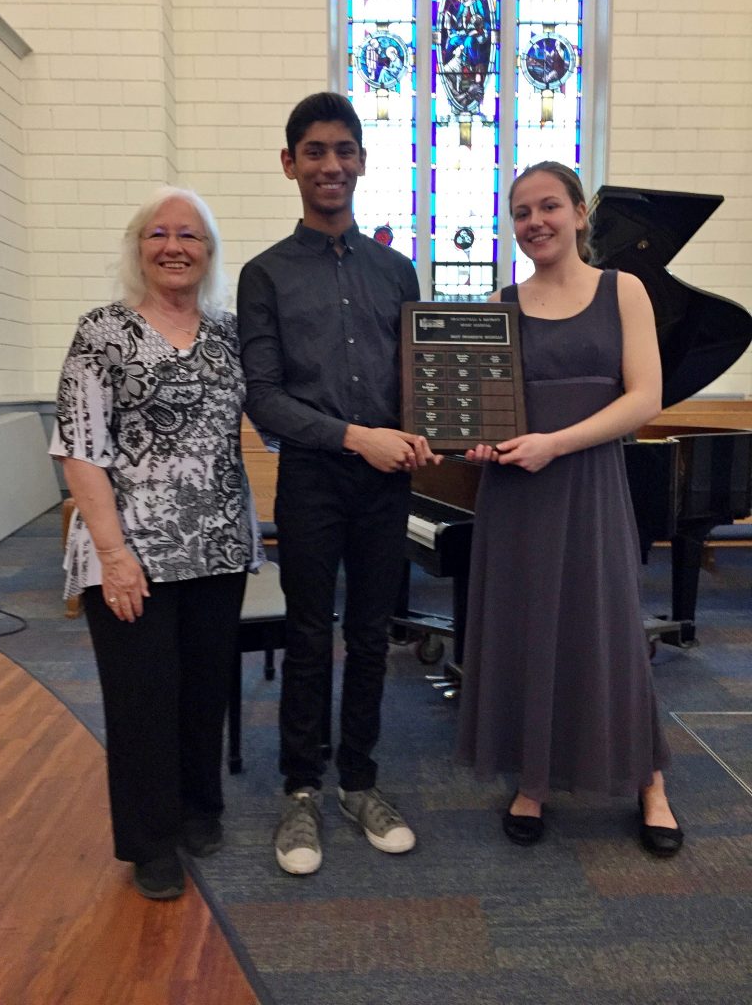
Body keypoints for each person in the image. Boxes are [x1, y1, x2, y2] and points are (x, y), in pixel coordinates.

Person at [455, 161, 684, 858]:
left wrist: (555, 443)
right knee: (526, 627)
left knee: (609, 630)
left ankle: (649, 782)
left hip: (588, 483)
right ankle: (533, 779)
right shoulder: (500, 302)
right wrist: (479, 441)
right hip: (516, 495)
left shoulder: (624, 290)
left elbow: (645, 399)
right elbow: (487, 409)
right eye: (522, 212)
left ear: (580, 213)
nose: (536, 223)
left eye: (549, 206)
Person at [237, 92, 441, 876]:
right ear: (289, 164)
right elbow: (265, 396)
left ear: (362, 160)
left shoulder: (397, 270)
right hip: (313, 479)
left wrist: (429, 430)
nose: (331, 164)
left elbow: (419, 381)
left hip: (386, 486)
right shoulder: (264, 274)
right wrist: (359, 437)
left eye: (344, 150)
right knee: (307, 636)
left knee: (371, 636)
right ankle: (301, 792)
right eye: (315, 151)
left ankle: (359, 782)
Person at [51, 186, 263, 899]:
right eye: (158, 234)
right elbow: (80, 449)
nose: (174, 246)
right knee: (141, 699)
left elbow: (279, 410)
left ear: (210, 252)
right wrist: (113, 555)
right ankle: (150, 841)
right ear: (138, 247)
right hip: (129, 550)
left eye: (190, 235)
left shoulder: (231, 334)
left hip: (218, 545)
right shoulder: (103, 331)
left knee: (204, 690)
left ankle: (200, 807)